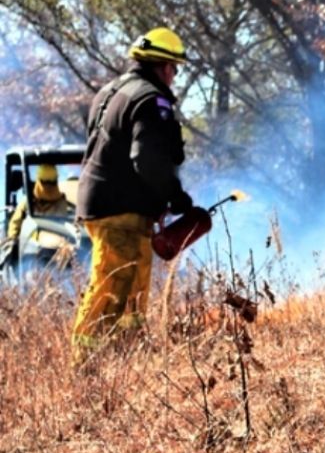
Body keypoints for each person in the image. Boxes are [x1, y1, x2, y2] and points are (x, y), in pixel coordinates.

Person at [72, 28, 195, 360]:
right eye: (175, 69)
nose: (174, 76)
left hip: (111, 205)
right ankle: (83, 372)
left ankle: (127, 363)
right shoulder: (150, 100)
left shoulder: (110, 92)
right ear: (165, 66)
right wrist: (174, 196)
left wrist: (154, 202)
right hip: (119, 209)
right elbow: (148, 159)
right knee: (110, 288)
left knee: (132, 292)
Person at [3, 164, 74, 268]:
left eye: (51, 183)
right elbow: (14, 225)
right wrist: (11, 242)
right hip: (31, 248)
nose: (48, 187)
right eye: (45, 183)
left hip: (56, 247)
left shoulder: (63, 203)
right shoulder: (28, 203)